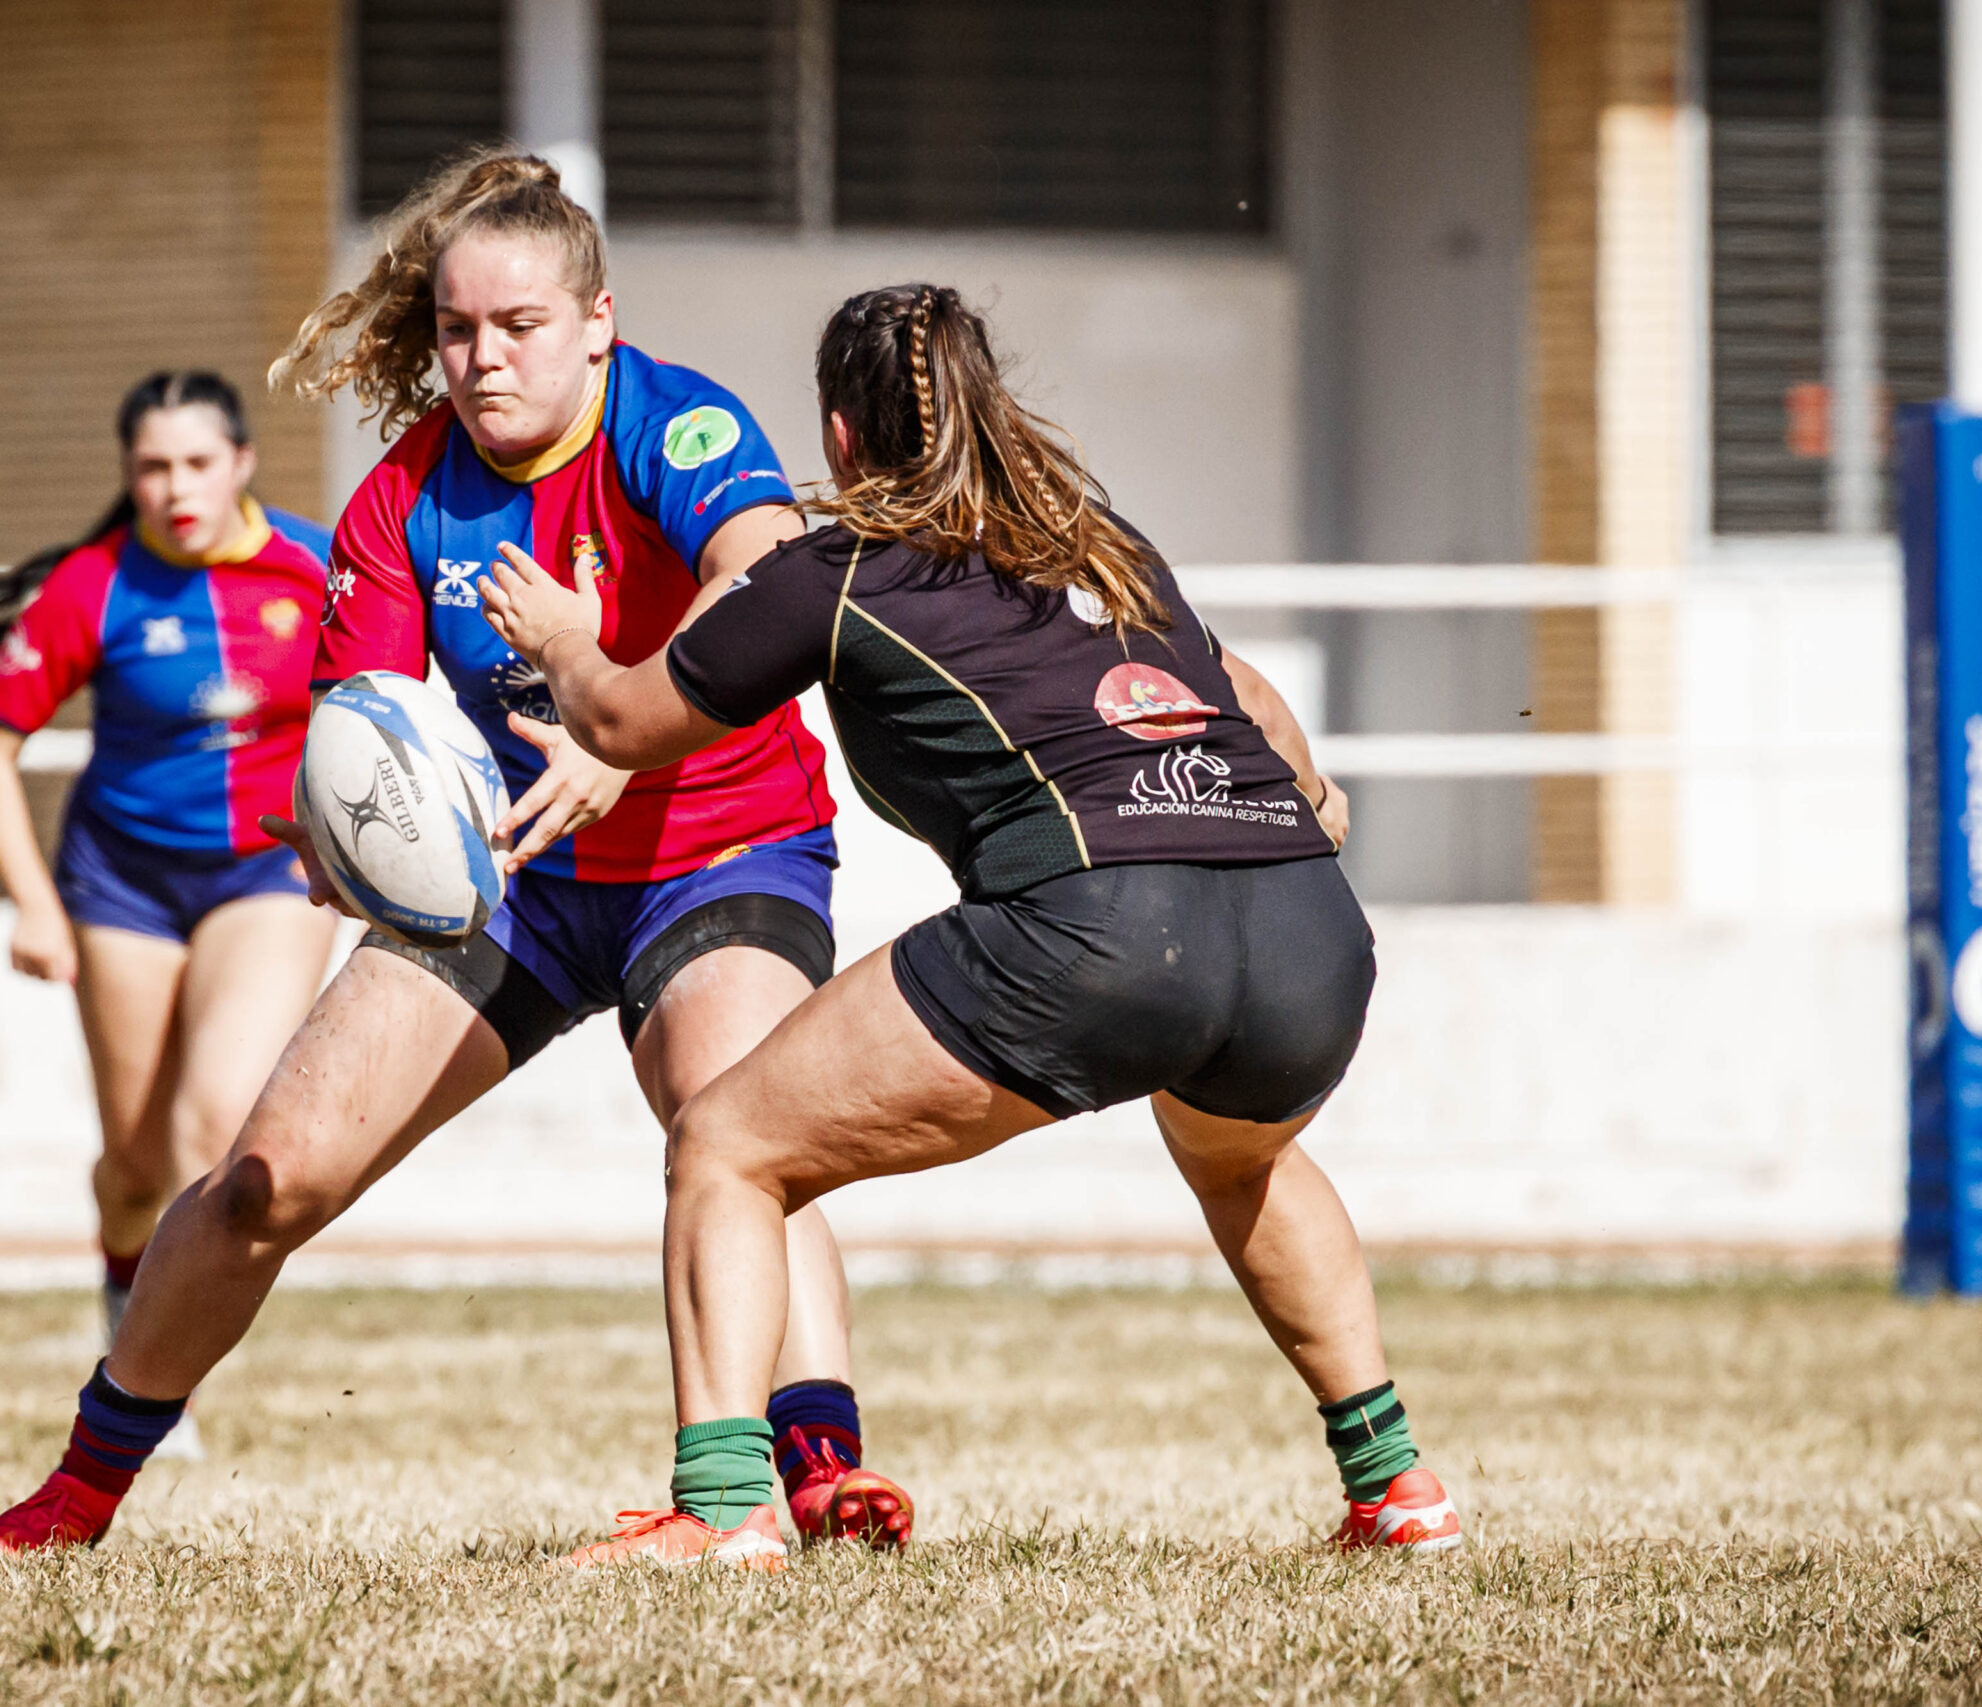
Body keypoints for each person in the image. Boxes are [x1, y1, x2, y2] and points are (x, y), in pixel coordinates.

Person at [0, 153, 914, 1552]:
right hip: (508, 879)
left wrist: (619, 725)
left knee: (736, 1128)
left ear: (598, 319)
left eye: (520, 326)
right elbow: (360, 716)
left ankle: (819, 1469)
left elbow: (765, 572)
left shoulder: (672, 420)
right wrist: (338, 827)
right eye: (459, 329)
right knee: (263, 1179)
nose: (482, 360)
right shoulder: (405, 493)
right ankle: (78, 1488)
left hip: (719, 849)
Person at [482, 284, 1462, 1570]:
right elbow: (1243, 697)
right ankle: (1394, 1484)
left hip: (1100, 925)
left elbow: (618, 723)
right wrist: (1311, 805)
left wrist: (563, 638)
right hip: (1304, 931)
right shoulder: (1101, 542)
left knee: (725, 1144)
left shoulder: (831, 574)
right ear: (991, 403)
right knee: (1241, 1162)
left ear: (839, 435)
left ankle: (720, 1513)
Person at [0, 370, 340, 1461]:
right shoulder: (91, 586)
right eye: (153, 468)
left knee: (217, 1127)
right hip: (121, 888)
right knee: (132, 1162)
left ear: (243, 463)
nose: (175, 488)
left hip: (267, 874)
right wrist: (35, 906)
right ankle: (122, 1295)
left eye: (197, 464)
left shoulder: (314, 565)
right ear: (130, 476)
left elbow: (386, 701)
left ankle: (155, 1394)